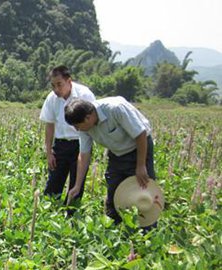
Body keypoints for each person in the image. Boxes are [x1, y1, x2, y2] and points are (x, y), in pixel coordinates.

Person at [64, 96, 156, 227]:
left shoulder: (115, 109)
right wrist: (77, 185)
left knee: (143, 191)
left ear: (88, 117)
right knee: (114, 192)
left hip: (139, 148)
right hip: (116, 153)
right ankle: (114, 231)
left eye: (77, 126)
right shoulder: (85, 127)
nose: (77, 130)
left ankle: (146, 233)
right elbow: (84, 155)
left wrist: (141, 166)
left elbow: (140, 134)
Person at [39, 65, 95, 206]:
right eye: (53, 85)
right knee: (53, 185)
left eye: (59, 84)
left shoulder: (85, 95)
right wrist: (49, 152)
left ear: (69, 81)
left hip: (81, 143)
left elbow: (93, 121)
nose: (56, 89)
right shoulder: (52, 98)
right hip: (60, 145)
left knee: (76, 185)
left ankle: (71, 218)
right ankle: (48, 216)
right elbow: (49, 125)